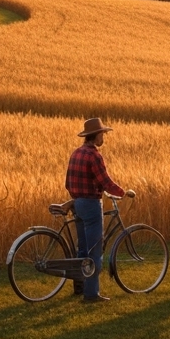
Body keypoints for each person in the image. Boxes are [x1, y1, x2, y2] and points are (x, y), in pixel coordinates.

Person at [65, 117, 133, 303]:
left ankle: (79, 287)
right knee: (94, 251)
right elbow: (105, 182)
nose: (104, 137)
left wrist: (77, 197)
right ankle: (91, 294)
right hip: (91, 205)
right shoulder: (94, 156)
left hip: (77, 203)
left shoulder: (76, 153)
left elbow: (68, 183)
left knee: (83, 249)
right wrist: (122, 192)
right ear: (96, 136)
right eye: (103, 133)